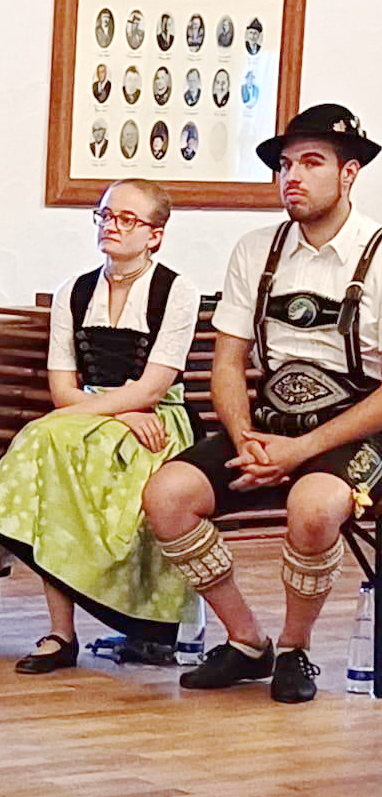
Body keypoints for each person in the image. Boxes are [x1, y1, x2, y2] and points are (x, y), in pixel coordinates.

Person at [141, 104, 382, 704]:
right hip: (269, 427)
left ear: (349, 172)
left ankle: (295, 649)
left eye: (310, 162)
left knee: (313, 507)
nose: (291, 176)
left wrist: (301, 451)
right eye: (284, 165)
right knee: (167, 496)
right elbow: (227, 361)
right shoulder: (256, 250)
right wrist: (245, 436)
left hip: (356, 433)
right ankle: (248, 641)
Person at [0, 179, 201, 672]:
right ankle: (52, 628)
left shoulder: (177, 292)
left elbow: (153, 389)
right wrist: (116, 411)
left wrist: (122, 412)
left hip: (155, 425)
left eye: (126, 218)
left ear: (155, 234)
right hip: (92, 416)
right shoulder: (75, 291)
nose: (111, 226)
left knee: (46, 441)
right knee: (52, 447)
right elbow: (63, 389)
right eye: (104, 215)